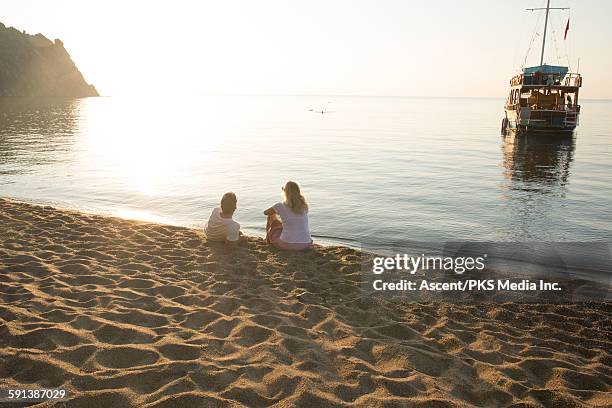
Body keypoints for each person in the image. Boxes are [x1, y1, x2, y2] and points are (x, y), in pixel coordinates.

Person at [264, 181, 313, 250]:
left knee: (271, 214)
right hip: (306, 244)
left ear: (285, 192)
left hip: (287, 244)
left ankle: (267, 238)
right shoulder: (304, 206)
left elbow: (265, 212)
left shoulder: (280, 206)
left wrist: (277, 212)